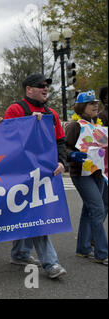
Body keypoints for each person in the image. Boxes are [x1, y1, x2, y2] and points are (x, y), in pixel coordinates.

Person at [4, 73, 67, 279]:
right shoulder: (16, 110)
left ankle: (23, 254)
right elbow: (5, 139)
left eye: (47, 85)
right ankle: (50, 263)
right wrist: (27, 124)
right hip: (20, 174)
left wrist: (62, 162)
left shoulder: (52, 114)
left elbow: (60, 142)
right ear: (28, 89)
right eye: (40, 85)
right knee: (30, 214)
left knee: (36, 215)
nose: (45, 88)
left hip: (43, 174)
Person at [65, 90, 108, 265]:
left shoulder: (99, 124)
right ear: (82, 106)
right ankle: (102, 253)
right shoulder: (75, 125)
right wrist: (73, 155)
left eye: (96, 103)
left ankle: (83, 248)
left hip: (98, 172)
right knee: (97, 209)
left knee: (88, 210)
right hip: (81, 174)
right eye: (91, 103)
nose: (95, 105)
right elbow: (64, 148)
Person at [98, 86, 108, 219]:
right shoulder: (102, 116)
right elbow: (101, 139)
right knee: (104, 202)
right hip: (105, 165)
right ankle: (95, 236)